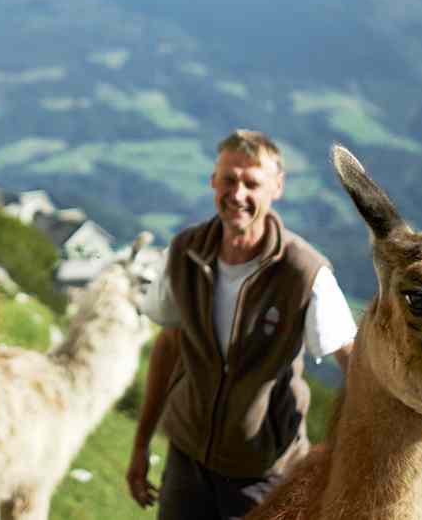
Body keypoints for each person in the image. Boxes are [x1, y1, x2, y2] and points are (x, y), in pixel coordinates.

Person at [126, 130, 356, 519]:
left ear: (276, 188)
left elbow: (355, 366)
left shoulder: (305, 273)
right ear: (212, 181)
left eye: (252, 183)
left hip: (264, 474)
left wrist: (344, 458)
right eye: (229, 179)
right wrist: (141, 444)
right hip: (187, 460)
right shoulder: (184, 253)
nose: (238, 194)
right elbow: (169, 344)